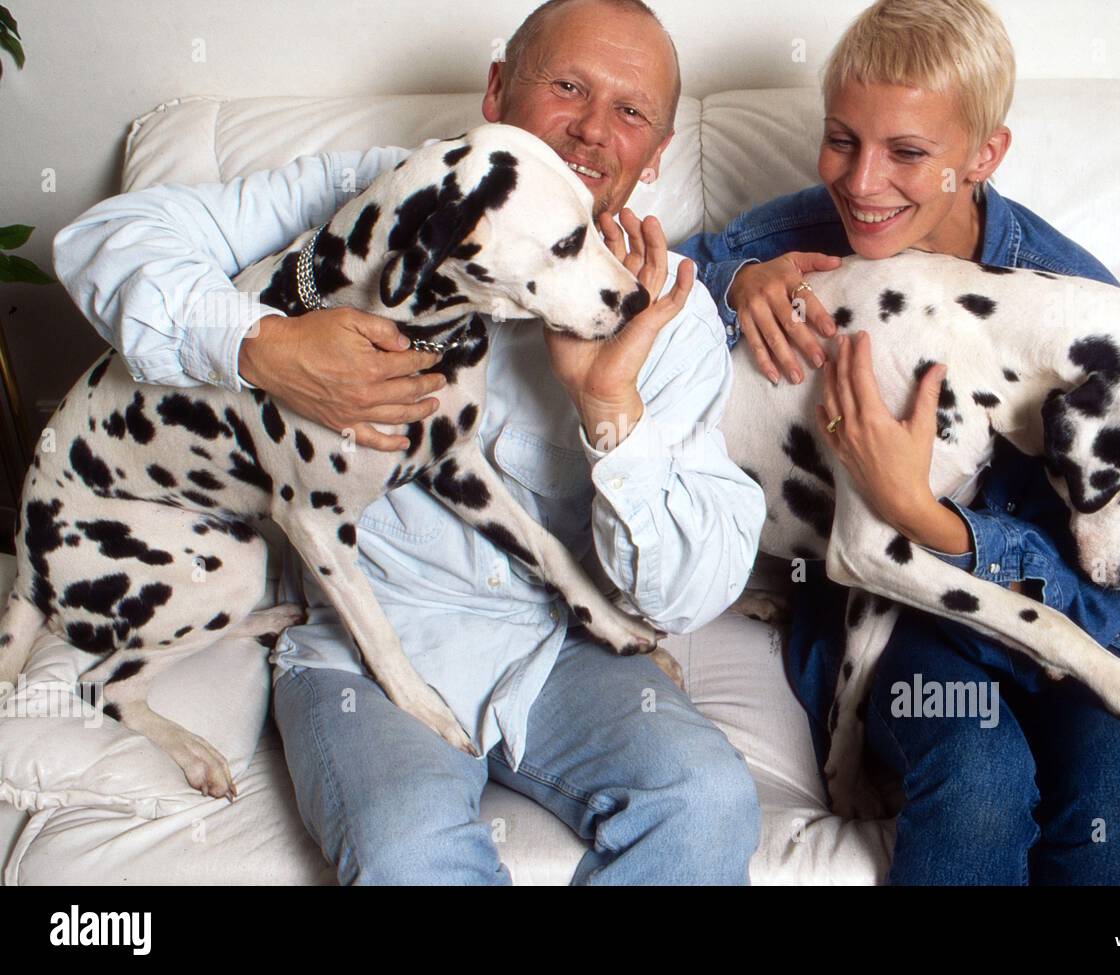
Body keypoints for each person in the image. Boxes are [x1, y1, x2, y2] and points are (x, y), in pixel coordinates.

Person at [52, 0, 766, 885]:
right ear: (499, 90)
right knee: (405, 851)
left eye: (631, 113)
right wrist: (264, 345)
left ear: (656, 154)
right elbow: (100, 242)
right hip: (364, 644)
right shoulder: (374, 200)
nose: (591, 131)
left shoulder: (669, 317)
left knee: (708, 803)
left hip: (556, 646)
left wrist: (608, 405)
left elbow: (692, 589)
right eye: (569, 86)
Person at [674, 0, 1120, 884]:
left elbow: (1112, 554)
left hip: (1069, 596)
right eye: (841, 139)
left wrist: (931, 519)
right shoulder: (803, 240)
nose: (860, 182)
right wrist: (734, 278)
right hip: (904, 616)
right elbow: (660, 275)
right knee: (976, 781)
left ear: (983, 156)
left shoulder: (1075, 303)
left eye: (907, 152)